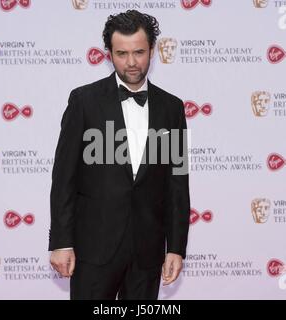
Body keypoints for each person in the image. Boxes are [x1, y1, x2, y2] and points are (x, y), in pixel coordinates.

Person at [49, 10, 190, 300]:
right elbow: (64, 177)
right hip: (94, 248)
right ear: (108, 54)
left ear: (152, 50)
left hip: (147, 251)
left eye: (139, 52)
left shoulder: (172, 108)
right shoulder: (84, 101)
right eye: (121, 53)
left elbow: (178, 184)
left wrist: (175, 247)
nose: (131, 62)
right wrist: (61, 242)